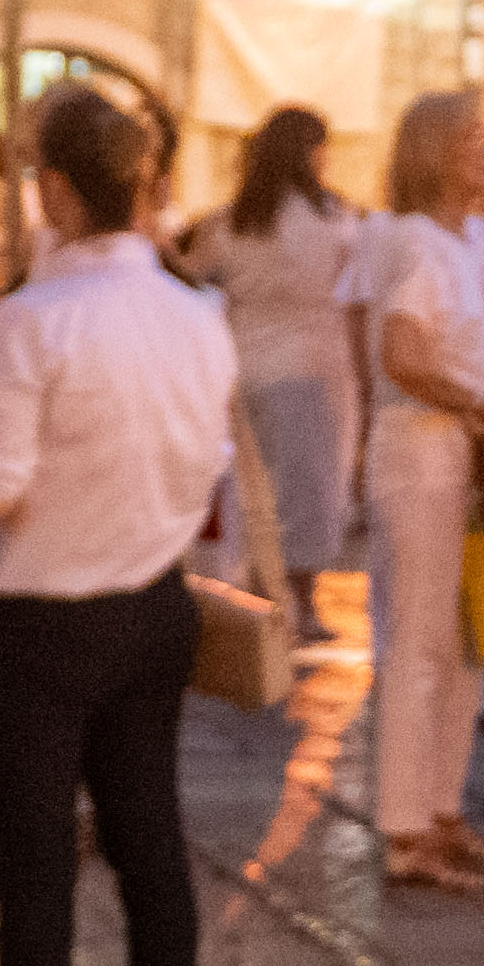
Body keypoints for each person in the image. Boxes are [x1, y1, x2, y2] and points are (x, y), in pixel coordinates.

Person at [0, 82, 233, 966]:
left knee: (37, 868)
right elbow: (210, 471)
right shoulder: (197, 317)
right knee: (150, 843)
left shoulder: (31, 324)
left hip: (37, 622)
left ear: (53, 188)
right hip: (152, 603)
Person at [355, 89, 484, 892]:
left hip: (453, 458)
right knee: (420, 641)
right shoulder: (423, 247)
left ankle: (441, 805)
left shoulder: (453, 244)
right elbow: (402, 353)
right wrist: (479, 405)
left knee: (465, 638)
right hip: (424, 457)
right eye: (472, 143)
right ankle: (404, 826)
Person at [200, 106, 364, 624]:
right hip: (314, 367)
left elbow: (195, 273)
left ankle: (257, 596)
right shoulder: (332, 221)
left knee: (254, 490)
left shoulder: (231, 222)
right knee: (308, 491)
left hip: (245, 367)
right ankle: (301, 600)